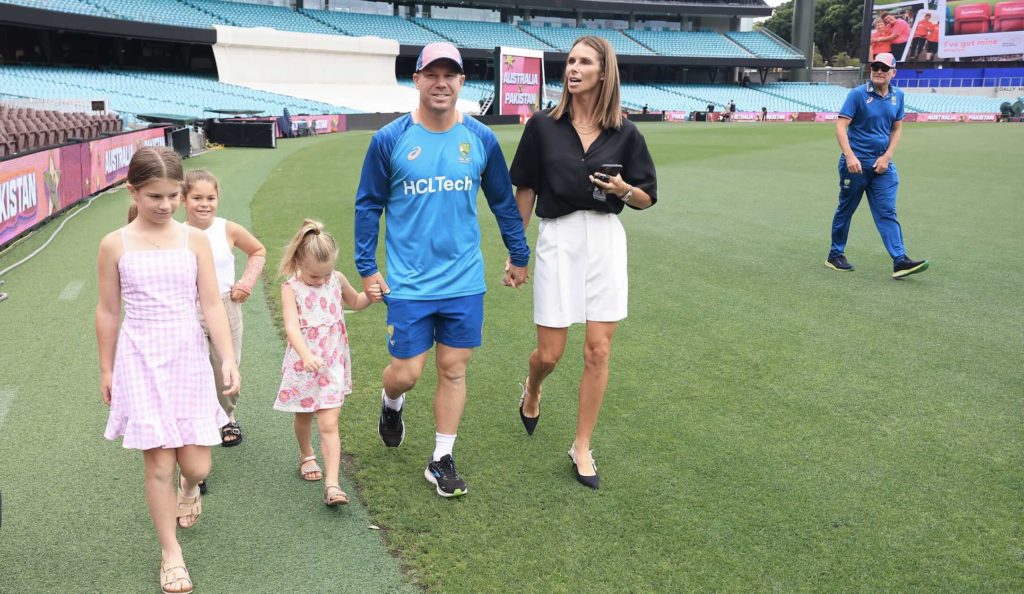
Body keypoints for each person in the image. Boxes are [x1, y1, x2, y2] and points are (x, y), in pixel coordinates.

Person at [354, 41, 530, 498]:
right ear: (416, 80)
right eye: (431, 74)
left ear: (461, 83)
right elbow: (368, 205)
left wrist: (518, 253)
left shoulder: (481, 139)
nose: (441, 82)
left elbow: (503, 203)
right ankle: (391, 403)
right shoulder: (389, 140)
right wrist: (367, 267)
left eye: (449, 75)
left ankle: (441, 457)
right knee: (407, 372)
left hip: (463, 281)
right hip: (409, 283)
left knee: (453, 368)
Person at [509, 36, 657, 490]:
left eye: (584, 61)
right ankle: (532, 388)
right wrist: (518, 253)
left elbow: (647, 197)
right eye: (570, 61)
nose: (573, 68)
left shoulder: (626, 133)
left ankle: (582, 445)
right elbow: (526, 190)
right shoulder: (541, 126)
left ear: (603, 71)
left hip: (606, 240)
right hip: (558, 237)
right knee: (551, 354)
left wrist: (622, 191)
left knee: (598, 350)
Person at [96, 146, 240, 594]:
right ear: (132, 191)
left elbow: (211, 303)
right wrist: (106, 369)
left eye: (172, 195)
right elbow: (106, 310)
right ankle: (170, 554)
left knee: (196, 462)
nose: (164, 205)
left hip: (188, 355)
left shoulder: (193, 240)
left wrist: (228, 355)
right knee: (158, 461)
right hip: (139, 358)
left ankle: (191, 487)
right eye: (154, 196)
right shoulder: (114, 244)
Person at [275, 220, 379, 506]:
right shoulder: (291, 288)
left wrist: (371, 296)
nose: (321, 280)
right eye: (313, 276)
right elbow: (292, 327)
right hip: (304, 361)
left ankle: (333, 485)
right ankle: (306, 454)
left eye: (326, 274)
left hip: (333, 361)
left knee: (329, 422)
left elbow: (355, 301)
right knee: (304, 414)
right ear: (298, 262)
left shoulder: (336, 278)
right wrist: (306, 355)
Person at [182, 170, 265, 453]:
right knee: (192, 368)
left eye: (210, 198)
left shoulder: (227, 229)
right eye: (197, 198)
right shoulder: (177, 233)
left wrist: (246, 282)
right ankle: (197, 423)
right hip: (188, 309)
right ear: (183, 200)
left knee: (225, 368)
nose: (204, 204)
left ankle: (227, 415)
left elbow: (258, 251)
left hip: (225, 305)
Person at [826, 52, 928, 279]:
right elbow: (841, 127)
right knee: (846, 208)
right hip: (855, 165)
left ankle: (900, 260)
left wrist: (887, 156)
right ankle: (835, 254)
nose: (879, 72)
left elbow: (897, 128)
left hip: (883, 165)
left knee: (887, 211)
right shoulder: (858, 95)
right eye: (875, 68)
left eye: (884, 68)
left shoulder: (898, 96)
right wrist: (850, 156)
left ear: (893, 72)